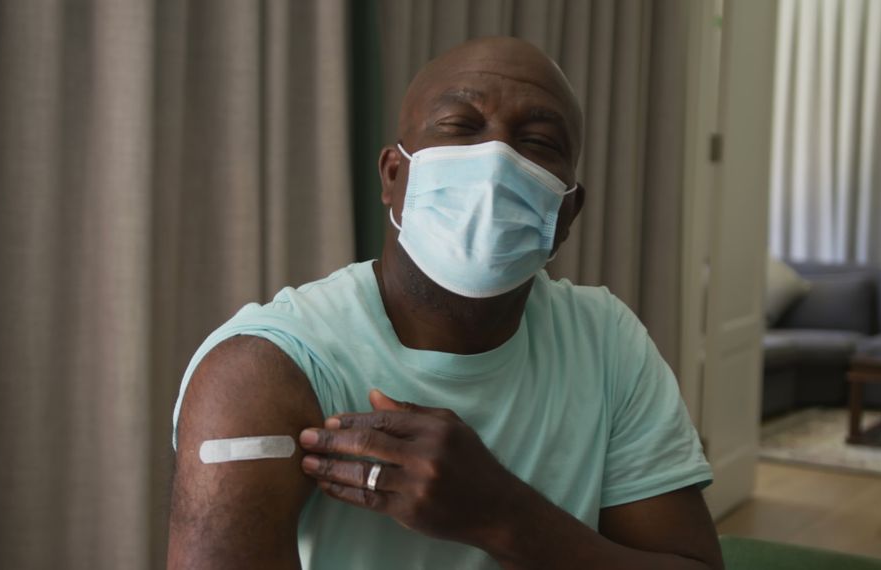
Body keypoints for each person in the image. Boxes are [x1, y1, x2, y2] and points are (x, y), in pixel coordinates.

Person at [166, 36, 723, 569]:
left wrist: (501, 516)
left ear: (568, 214)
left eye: (538, 143)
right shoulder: (262, 370)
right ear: (393, 176)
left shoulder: (605, 341)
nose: (495, 161)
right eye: (460, 126)